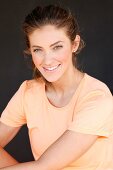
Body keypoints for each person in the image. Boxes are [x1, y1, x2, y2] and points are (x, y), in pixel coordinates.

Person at [0, 4, 113, 170]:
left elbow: (45, 165)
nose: (47, 60)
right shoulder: (28, 92)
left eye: (57, 47)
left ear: (74, 44)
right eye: (38, 49)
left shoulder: (97, 97)